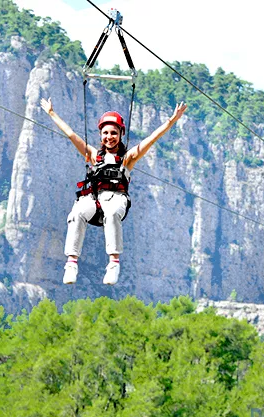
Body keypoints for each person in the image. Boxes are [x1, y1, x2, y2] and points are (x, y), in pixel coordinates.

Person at [40, 97, 188, 285]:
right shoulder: (94, 156)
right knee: (76, 213)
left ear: (120, 134)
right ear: (101, 135)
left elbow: (152, 139)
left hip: (117, 199)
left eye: (113, 133)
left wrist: (172, 120)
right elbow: (71, 135)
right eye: (105, 133)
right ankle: (71, 263)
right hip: (95, 198)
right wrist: (52, 113)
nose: (109, 137)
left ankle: (113, 264)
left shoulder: (127, 158)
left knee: (111, 213)